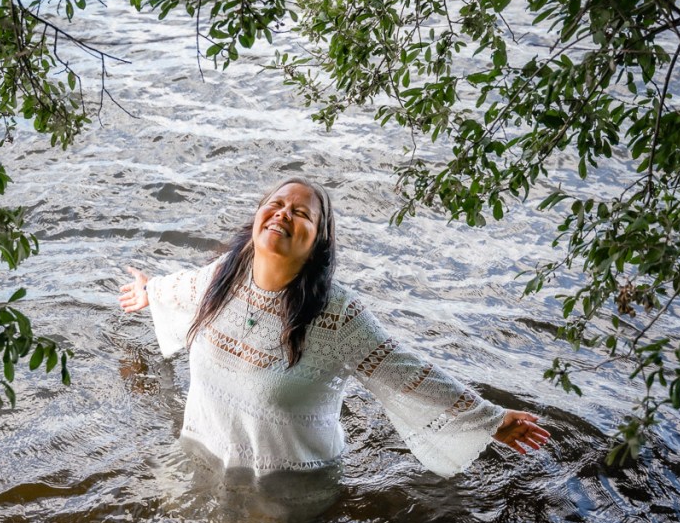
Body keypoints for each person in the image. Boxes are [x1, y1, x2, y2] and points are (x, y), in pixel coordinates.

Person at [119, 177, 549, 478]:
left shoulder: (338, 314)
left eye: (300, 212)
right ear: (257, 219)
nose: (282, 214)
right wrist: (149, 292)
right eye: (276, 204)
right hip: (202, 455)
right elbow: (177, 289)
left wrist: (488, 418)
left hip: (288, 484)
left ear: (318, 241)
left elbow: (404, 371)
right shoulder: (221, 276)